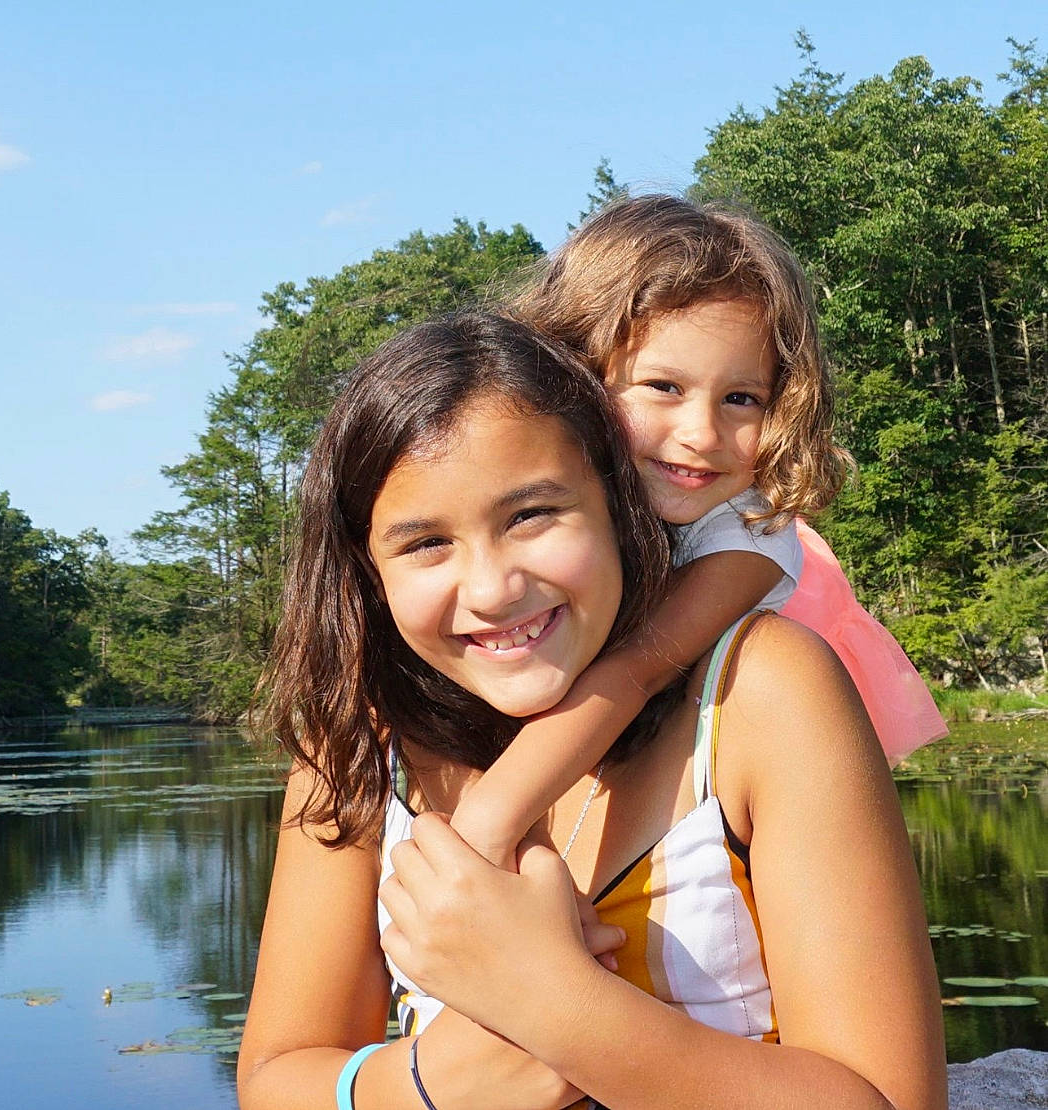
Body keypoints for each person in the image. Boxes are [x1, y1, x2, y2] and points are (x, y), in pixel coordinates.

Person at [234, 311, 945, 1110]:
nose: (494, 590)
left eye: (532, 514)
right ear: (368, 573)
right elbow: (275, 1077)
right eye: (426, 543)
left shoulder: (761, 691)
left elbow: (892, 1099)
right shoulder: (364, 747)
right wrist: (430, 1085)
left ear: (617, 502)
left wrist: (555, 1009)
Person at [448, 194, 945, 872]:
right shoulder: (552, 513)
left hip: (737, 759)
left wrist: (480, 832)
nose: (703, 435)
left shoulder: (750, 535)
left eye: (741, 399)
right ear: (576, 376)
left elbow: (633, 673)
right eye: (663, 387)